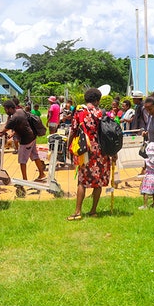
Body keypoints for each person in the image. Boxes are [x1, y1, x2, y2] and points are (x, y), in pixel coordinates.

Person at [66, 87, 110, 221]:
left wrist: (69, 147)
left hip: (85, 150)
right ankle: (93, 211)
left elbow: (73, 130)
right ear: (97, 100)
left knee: (82, 181)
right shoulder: (101, 113)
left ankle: (78, 211)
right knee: (98, 181)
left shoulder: (80, 112)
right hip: (101, 151)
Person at [1, 98, 47, 183]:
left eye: (6, 109)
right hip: (32, 136)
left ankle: (24, 180)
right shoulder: (20, 111)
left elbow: (3, 130)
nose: (5, 111)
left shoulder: (14, 117)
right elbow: (23, 123)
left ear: (10, 108)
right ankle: (42, 174)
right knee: (35, 156)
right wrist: (13, 133)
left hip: (26, 140)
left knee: (22, 161)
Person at [138, 141, 154, 210]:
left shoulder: (146, 160)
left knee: (146, 192)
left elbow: (144, 168)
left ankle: (145, 205)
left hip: (148, 177)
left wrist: (141, 175)